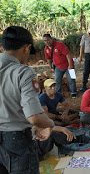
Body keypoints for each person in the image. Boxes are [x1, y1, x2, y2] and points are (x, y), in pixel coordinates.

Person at [0, 26, 55, 173]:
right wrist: (49, 124)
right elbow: (34, 117)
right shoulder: (22, 72)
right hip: (15, 141)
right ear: (26, 48)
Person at [43, 34, 77, 98]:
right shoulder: (46, 49)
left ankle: (73, 92)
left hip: (68, 65)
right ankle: (58, 94)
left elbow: (68, 54)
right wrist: (51, 67)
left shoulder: (59, 45)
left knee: (72, 79)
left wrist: (70, 65)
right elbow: (48, 59)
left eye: (48, 40)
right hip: (58, 67)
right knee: (57, 81)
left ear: (51, 39)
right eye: (45, 41)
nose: (46, 42)